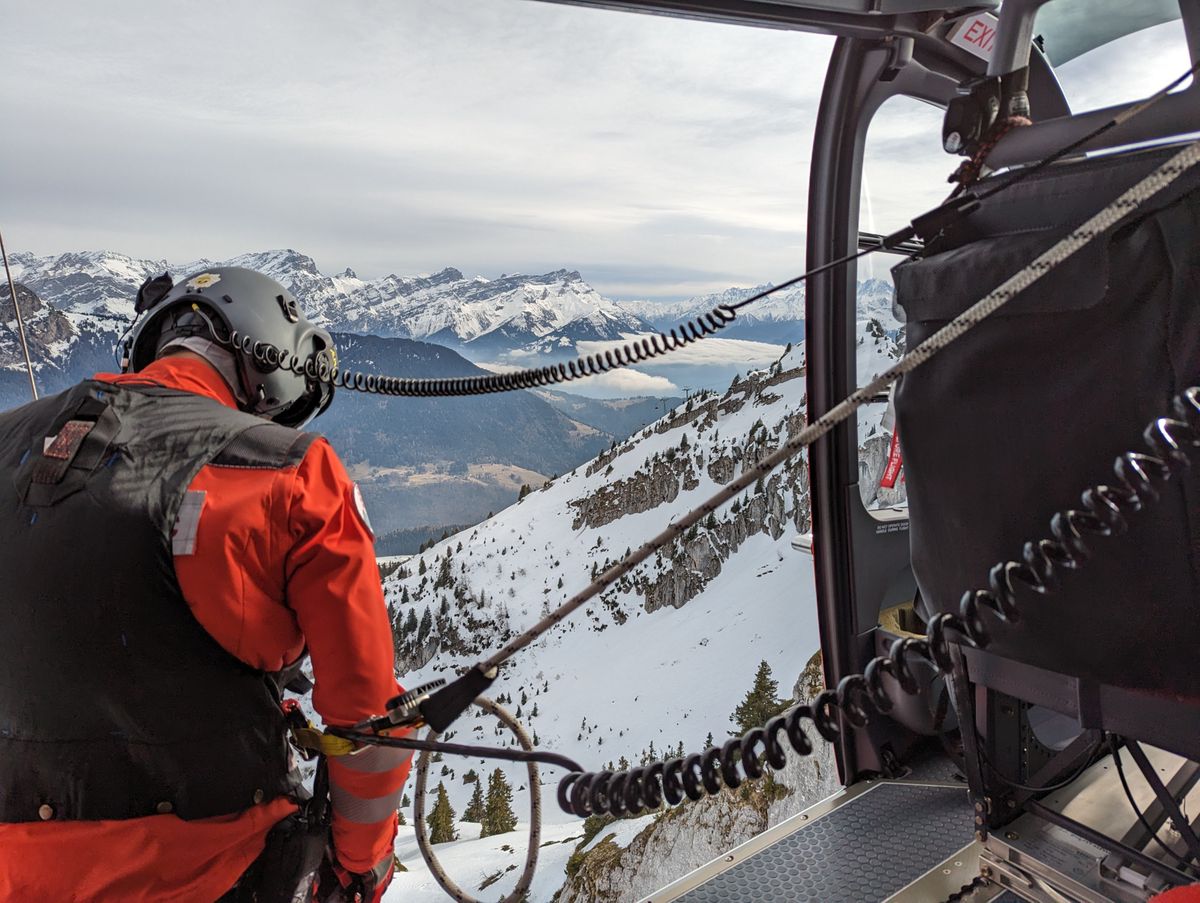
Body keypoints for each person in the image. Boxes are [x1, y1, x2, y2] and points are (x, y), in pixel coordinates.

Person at [0, 267, 409, 902]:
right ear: (269, 362)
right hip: (212, 868)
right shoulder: (292, 474)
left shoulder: (8, 440)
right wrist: (360, 867)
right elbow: (367, 717)